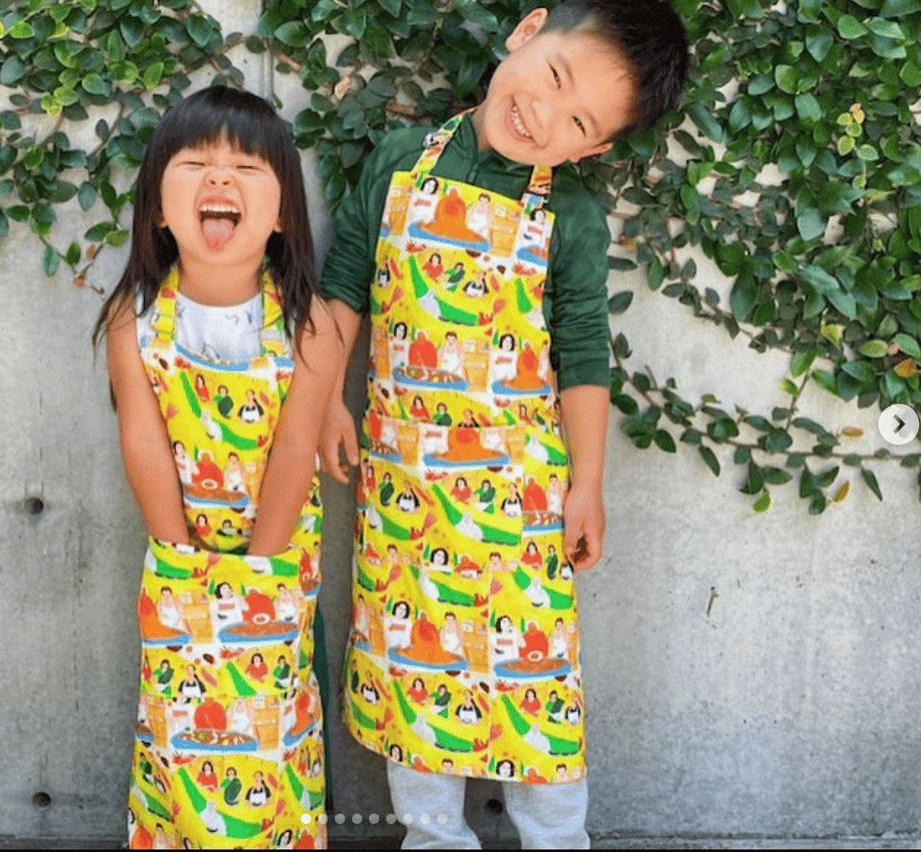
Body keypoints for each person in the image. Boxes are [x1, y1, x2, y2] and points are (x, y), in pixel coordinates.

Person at [318, 2, 687, 848]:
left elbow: (583, 356)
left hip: (521, 507)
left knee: (538, 695)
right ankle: (432, 838)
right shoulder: (399, 160)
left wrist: (587, 484)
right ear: (527, 32)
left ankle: (557, 839)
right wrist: (323, 402)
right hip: (407, 496)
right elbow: (344, 285)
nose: (543, 115)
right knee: (416, 674)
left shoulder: (573, 218)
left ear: (592, 150)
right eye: (553, 76)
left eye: (579, 121)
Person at [93, 87, 337, 848]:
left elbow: (298, 449)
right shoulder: (136, 316)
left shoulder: (311, 325)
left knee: (272, 736)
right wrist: (180, 559)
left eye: (247, 168)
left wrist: (259, 577)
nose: (220, 180)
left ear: (284, 215)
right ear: (159, 209)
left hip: (278, 558)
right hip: (179, 561)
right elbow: (143, 440)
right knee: (176, 735)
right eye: (196, 164)